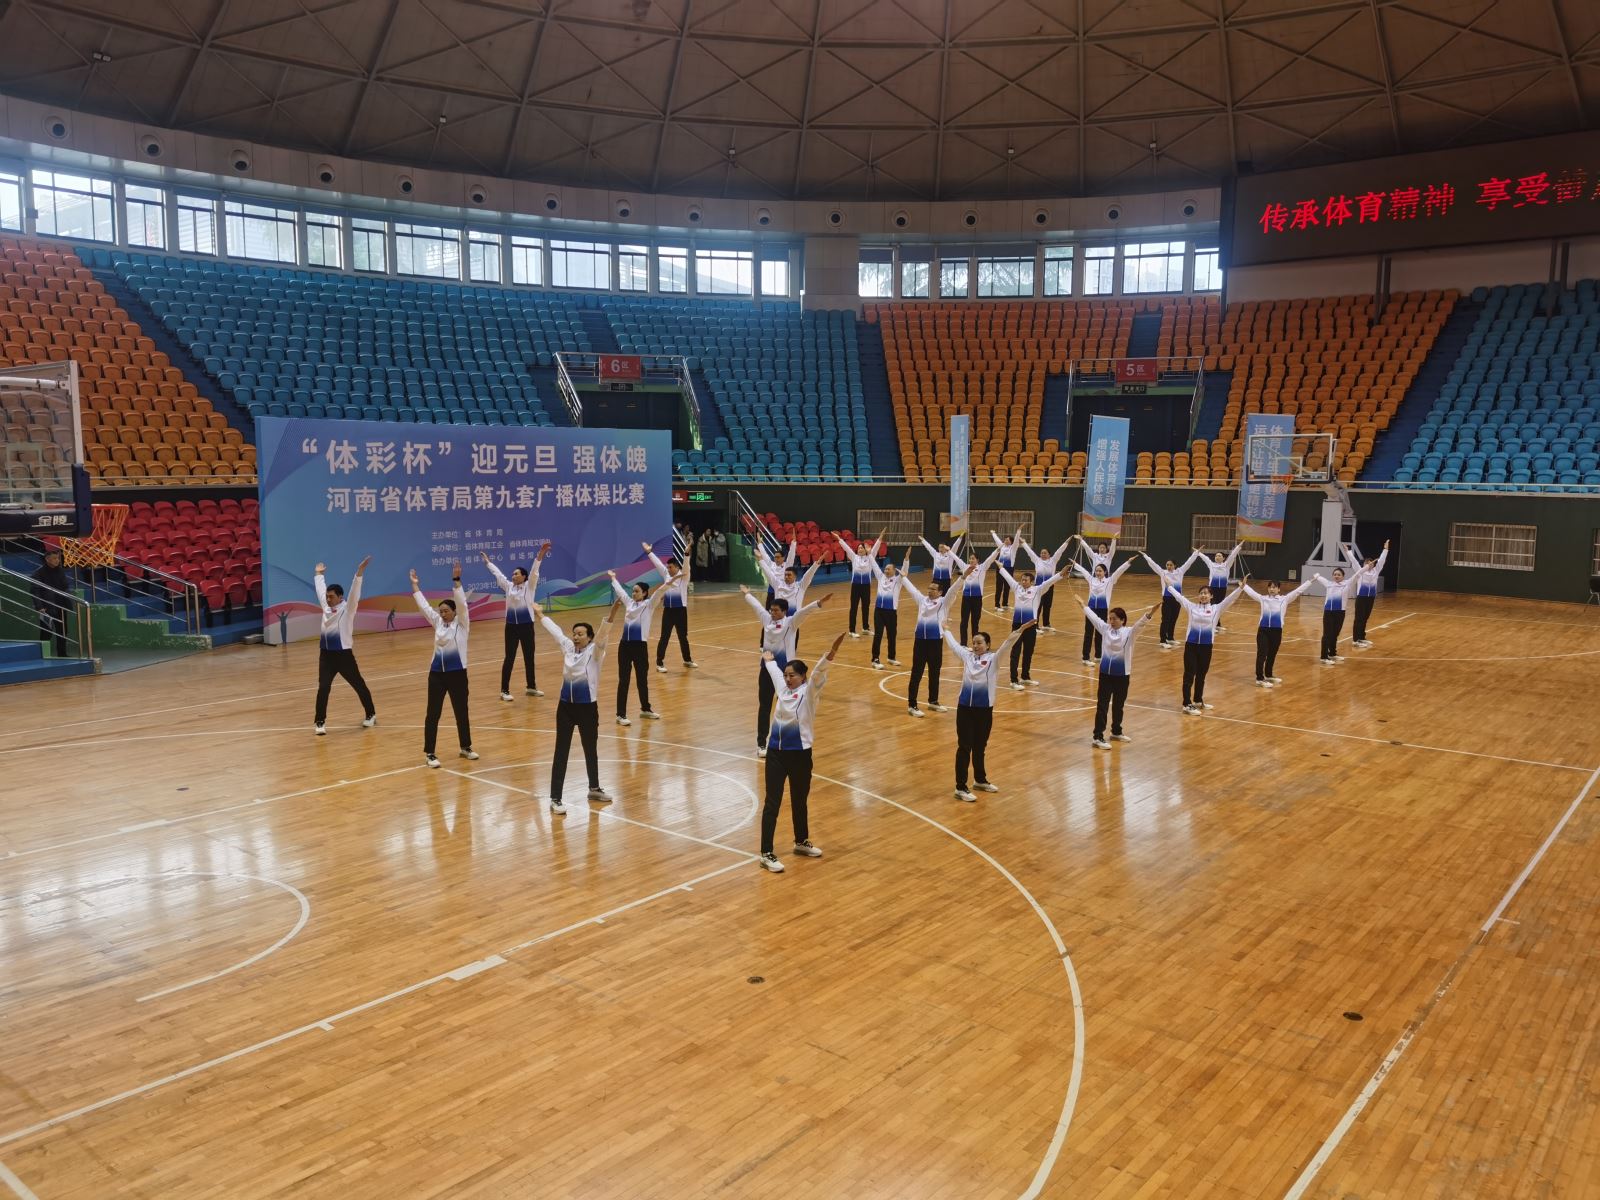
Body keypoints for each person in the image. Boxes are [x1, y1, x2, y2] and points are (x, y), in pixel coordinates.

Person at [757, 631, 847, 874]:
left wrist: (831, 652)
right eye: (786, 675)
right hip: (776, 754)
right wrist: (769, 660)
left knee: (800, 799)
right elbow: (774, 671)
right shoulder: (782, 688)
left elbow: (818, 672)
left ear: (803, 677)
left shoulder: (809, 693)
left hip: (800, 756)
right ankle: (766, 853)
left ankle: (800, 841)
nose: (787, 679)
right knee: (772, 802)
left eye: (792, 675)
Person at [534, 598, 620, 814]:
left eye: (580, 634)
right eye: (574, 634)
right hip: (565, 709)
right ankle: (555, 798)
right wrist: (540, 615)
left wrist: (613, 612)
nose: (575, 637)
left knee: (590, 749)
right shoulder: (568, 648)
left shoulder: (595, 652)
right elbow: (556, 632)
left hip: (587, 709)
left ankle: (594, 789)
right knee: (561, 752)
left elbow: (604, 634)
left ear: (590, 638)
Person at [943, 620, 1036, 801]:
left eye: (979, 643)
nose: (975, 645)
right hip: (964, 709)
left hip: (984, 711)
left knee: (980, 746)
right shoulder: (967, 656)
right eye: (974, 642)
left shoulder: (994, 659)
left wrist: (1020, 630)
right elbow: (953, 645)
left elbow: (1007, 644)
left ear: (988, 645)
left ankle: (980, 780)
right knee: (964, 747)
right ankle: (960, 787)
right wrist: (946, 630)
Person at [741, 585, 829, 757]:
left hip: (787, 674)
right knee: (764, 706)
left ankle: (787, 740)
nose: (772, 613)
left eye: (776, 610)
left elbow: (804, 612)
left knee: (786, 707)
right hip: (766, 671)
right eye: (771, 610)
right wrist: (747, 594)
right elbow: (757, 606)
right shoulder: (766, 619)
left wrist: (818, 603)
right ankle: (761, 744)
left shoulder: (791, 623)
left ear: (784, 611)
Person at [409, 564, 475, 768]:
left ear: (455, 612)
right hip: (437, 675)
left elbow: (462, 603)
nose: (443, 614)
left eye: (446, 611)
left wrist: (456, 581)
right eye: (441, 611)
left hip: (458, 675)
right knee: (433, 714)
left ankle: (466, 747)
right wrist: (415, 586)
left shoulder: (462, 625)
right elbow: (424, 607)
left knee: (461, 712)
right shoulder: (437, 622)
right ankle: (430, 753)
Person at [313, 557, 377, 736]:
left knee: (358, 685)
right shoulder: (326, 606)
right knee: (323, 688)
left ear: (340, 597)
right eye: (327, 596)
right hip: (326, 656)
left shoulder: (348, 609)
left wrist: (359, 572)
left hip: (344, 656)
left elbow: (355, 592)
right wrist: (318, 574)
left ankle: (371, 714)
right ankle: (319, 722)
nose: (327, 599)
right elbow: (320, 590)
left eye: (331, 596)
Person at [1084, 603, 1157, 748]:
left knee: (1119, 705)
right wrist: (1083, 606)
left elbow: (1141, 623)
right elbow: (1093, 618)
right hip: (1105, 675)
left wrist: (1151, 613)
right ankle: (1097, 736)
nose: (1111, 621)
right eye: (1110, 618)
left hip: (1122, 675)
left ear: (1122, 620)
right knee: (1102, 705)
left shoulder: (1130, 633)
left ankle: (1116, 731)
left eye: (1114, 619)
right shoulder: (1105, 629)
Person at [484, 542, 549, 702]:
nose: (513, 576)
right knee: (509, 658)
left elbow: (534, 571)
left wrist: (540, 555)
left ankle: (531, 687)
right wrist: (488, 563)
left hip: (527, 627)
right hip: (511, 628)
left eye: (516, 574)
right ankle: (504, 690)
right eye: (512, 574)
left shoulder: (529, 586)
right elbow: (498, 574)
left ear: (524, 577)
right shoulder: (508, 587)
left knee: (529, 657)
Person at [1166, 582, 1244, 714]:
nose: (1203, 595)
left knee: (1201, 675)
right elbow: (1179, 597)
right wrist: (1169, 586)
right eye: (1201, 593)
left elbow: (1229, 599)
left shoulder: (1216, 609)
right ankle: (1186, 703)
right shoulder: (1191, 607)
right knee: (1189, 674)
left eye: (1206, 593)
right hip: (1191, 646)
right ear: (1198, 596)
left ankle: (1198, 700)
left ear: (1211, 596)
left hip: (1206, 647)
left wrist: (1240, 588)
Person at [899, 561, 965, 717]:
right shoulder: (922, 600)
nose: (929, 591)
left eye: (933, 589)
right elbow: (912, 590)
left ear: (940, 592)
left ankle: (933, 701)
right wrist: (904, 578)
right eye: (929, 588)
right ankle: (912, 705)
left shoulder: (944, 603)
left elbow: (953, 590)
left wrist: (963, 577)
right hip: (920, 642)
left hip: (935, 642)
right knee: (916, 673)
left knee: (935, 673)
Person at [608, 569, 666, 725]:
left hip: (640, 647)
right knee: (624, 680)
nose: (633, 594)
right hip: (625, 646)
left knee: (642, 680)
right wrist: (613, 578)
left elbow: (659, 592)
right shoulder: (629, 603)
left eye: (637, 591)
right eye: (633, 591)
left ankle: (645, 709)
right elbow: (620, 592)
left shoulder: (649, 605)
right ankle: (621, 715)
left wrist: (670, 582)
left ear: (645, 593)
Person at [994, 563, 1063, 689]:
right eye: (1022, 580)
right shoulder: (1017, 587)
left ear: (1032, 582)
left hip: (1031, 626)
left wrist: (1061, 574)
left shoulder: (1038, 590)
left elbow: (1050, 581)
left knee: (1028, 651)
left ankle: (1025, 677)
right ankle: (1013, 680)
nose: (1023, 582)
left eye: (1026, 580)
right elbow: (1008, 577)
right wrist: (1001, 567)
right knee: (1015, 652)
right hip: (1017, 625)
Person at [1241, 577, 1314, 687]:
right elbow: (1252, 593)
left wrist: (1310, 581)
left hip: (1276, 631)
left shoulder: (1284, 599)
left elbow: (1298, 591)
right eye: (1270, 587)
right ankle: (1259, 678)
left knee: (1272, 654)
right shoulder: (1263, 598)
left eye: (1274, 587)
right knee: (1262, 654)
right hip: (1263, 630)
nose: (1271, 589)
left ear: (1279, 589)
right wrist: (1244, 586)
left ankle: (1269, 675)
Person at [1070, 556, 1133, 665]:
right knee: (1088, 633)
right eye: (1096, 571)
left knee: (1101, 632)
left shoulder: (1109, 581)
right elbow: (1084, 571)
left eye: (1100, 571)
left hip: (1103, 610)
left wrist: (1128, 562)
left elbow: (1118, 571)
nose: (1098, 573)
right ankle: (1085, 657)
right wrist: (1075, 564)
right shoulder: (1091, 579)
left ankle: (1098, 656)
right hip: (1090, 609)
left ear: (1105, 572)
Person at [646, 541, 698, 672]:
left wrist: (686, 553)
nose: (668, 569)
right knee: (664, 637)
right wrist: (649, 552)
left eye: (670, 567)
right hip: (668, 611)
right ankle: (659, 663)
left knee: (683, 637)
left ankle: (687, 660)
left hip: (681, 611)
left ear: (676, 567)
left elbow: (686, 565)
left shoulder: (684, 576)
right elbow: (658, 564)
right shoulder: (666, 575)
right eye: (667, 567)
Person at [1141, 551, 1201, 649]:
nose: (1168, 566)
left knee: (1173, 619)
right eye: (1167, 565)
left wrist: (1196, 553)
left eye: (1171, 565)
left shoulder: (1180, 572)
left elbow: (1189, 562)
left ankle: (1170, 638)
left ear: (1175, 565)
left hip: (1177, 599)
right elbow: (1153, 564)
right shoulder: (1163, 573)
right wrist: (1145, 556)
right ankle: (1162, 640)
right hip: (1167, 599)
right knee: (1166, 620)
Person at [833, 528, 885, 639]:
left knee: (866, 607)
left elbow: (876, 546)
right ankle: (852, 630)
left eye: (862, 548)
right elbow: (846, 547)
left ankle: (865, 628)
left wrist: (881, 537)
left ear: (866, 550)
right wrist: (839, 538)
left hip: (866, 587)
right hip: (855, 587)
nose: (860, 549)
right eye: (859, 548)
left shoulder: (870, 557)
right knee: (854, 608)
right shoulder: (854, 557)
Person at [1342, 540, 1392, 647]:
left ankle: (1362, 638)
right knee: (1359, 618)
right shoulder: (1360, 571)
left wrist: (1386, 549)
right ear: (1364, 564)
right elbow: (1354, 561)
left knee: (1365, 618)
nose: (1369, 564)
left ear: (1373, 564)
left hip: (1371, 598)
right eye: (1366, 563)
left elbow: (1382, 560)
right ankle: (1355, 640)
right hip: (1361, 598)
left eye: (1371, 562)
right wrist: (1348, 551)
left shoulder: (1376, 571)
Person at [1021, 535, 1073, 632]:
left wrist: (1067, 541)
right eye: (1041, 553)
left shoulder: (1053, 561)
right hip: (1038, 588)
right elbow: (1029, 552)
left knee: (1047, 606)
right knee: (1038, 606)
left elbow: (1060, 551)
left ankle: (1046, 624)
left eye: (1045, 553)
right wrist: (1023, 543)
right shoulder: (1037, 560)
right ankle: (1035, 625)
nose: (1043, 554)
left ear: (1049, 554)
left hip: (1050, 586)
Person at [1312, 568, 1361, 665]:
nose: (1336, 576)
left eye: (1339, 574)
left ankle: (1332, 654)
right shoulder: (1329, 584)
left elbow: (1357, 574)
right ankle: (1323, 657)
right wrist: (1316, 575)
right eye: (1335, 574)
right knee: (1327, 634)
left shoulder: (1347, 584)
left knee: (1335, 634)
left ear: (1343, 576)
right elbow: (1318, 577)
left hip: (1340, 613)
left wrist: (1367, 566)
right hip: (1329, 612)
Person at [30, 547, 71, 657]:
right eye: (54, 558)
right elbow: (35, 591)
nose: (57, 560)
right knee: (46, 631)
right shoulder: (38, 573)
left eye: (58, 558)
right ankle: (43, 654)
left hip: (61, 605)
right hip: (47, 607)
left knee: (62, 631)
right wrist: (39, 606)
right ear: (47, 559)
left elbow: (65, 586)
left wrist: (67, 598)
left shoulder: (60, 571)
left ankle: (62, 654)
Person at [867, 551, 905, 669]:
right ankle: (875, 659)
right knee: (878, 635)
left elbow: (904, 571)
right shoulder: (880, 577)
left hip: (891, 612)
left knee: (892, 635)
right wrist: (869, 553)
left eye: (888, 569)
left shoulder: (898, 581)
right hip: (879, 611)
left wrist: (906, 559)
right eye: (885, 569)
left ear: (894, 571)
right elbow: (874, 565)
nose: (886, 570)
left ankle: (891, 657)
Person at [958, 545, 1002, 643]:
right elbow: (956, 558)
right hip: (966, 598)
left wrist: (997, 550)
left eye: (973, 558)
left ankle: (975, 643)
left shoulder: (982, 568)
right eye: (970, 558)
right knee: (964, 621)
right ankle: (963, 643)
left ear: (977, 560)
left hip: (977, 599)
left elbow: (990, 559)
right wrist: (949, 551)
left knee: (975, 622)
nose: (971, 560)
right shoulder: (965, 567)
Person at [1196, 543, 1244, 630]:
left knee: (1219, 606)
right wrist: (1198, 552)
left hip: (1222, 589)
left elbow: (1233, 555)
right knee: (1213, 605)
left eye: (1219, 556)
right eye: (1216, 556)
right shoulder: (1211, 564)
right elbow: (1205, 558)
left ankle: (1217, 624)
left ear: (1223, 558)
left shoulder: (1227, 565)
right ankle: (1211, 624)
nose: (1217, 557)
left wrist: (1239, 546)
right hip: (1212, 589)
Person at [990, 527, 1022, 609]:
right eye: (1005, 540)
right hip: (1000, 568)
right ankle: (997, 605)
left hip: (1009, 569)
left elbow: (1016, 540)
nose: (1005, 541)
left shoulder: (1013, 548)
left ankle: (1005, 604)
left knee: (1007, 586)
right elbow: (997, 540)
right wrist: (993, 533)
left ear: (1011, 541)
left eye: (1007, 540)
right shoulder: (1002, 546)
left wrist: (1018, 531)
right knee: (999, 587)